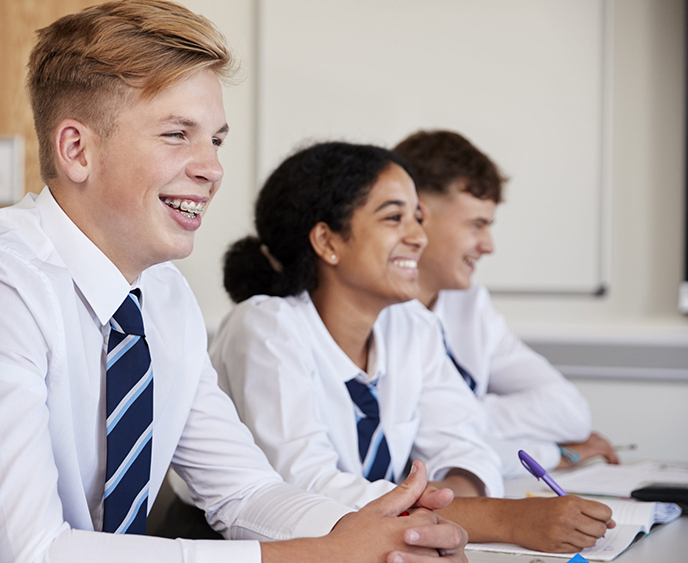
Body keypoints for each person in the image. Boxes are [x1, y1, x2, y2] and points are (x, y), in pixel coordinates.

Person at [0, 2, 468, 562]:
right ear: (77, 150)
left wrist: (392, 534)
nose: (212, 168)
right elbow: (30, 552)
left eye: (217, 140)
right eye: (177, 134)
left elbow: (243, 490)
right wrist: (313, 556)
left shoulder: (164, 296)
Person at [211, 141, 616, 553]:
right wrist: (500, 519)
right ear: (327, 241)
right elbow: (306, 489)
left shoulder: (411, 325)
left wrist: (440, 507)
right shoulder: (266, 327)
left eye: (418, 218)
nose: (419, 237)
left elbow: (466, 445)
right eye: (394, 218)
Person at [392, 130, 619, 476]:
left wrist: (463, 416)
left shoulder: (469, 304)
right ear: (417, 216)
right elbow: (421, 458)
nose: (488, 245)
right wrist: (554, 455)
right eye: (476, 225)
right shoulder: (375, 312)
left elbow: (570, 412)